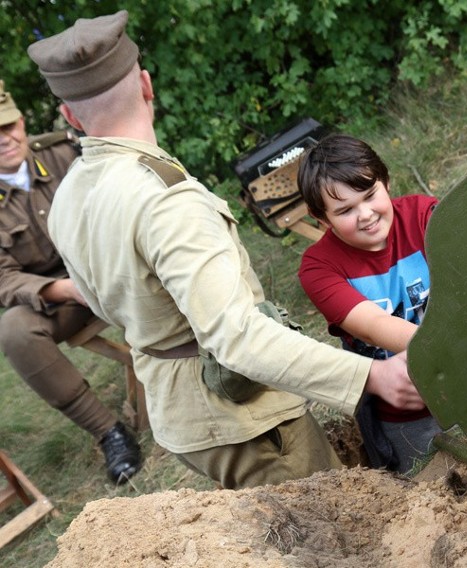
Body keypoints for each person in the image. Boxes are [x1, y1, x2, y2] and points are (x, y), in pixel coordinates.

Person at [27, 10, 425, 490]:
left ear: (70, 115)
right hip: (243, 418)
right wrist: (370, 377)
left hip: (180, 414)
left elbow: (96, 300)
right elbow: (236, 339)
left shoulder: (69, 194)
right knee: (345, 535)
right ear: (148, 86)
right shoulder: (168, 201)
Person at [0, 79, 141, 484]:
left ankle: (214, 357)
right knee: (14, 330)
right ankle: (109, 432)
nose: (6, 138)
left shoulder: (66, 151)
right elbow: (4, 277)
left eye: (9, 125)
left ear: (22, 122)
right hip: (60, 298)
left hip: (114, 268)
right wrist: (62, 290)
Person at [297, 134, 441, 474]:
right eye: (345, 210)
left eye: (370, 195)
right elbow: (375, 327)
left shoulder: (424, 215)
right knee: (434, 490)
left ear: (386, 182)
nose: (365, 215)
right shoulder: (319, 268)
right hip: (407, 414)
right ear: (322, 218)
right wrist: (446, 348)